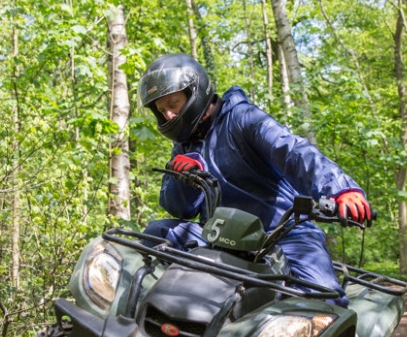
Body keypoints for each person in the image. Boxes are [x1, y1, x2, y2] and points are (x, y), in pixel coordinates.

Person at [137, 53, 370, 307]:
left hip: (281, 234)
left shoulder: (242, 119)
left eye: (173, 103)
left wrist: (341, 189)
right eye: (162, 110)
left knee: (325, 303)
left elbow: (293, 152)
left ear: (195, 92)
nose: (169, 115)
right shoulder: (184, 144)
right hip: (219, 237)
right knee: (156, 234)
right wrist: (183, 178)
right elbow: (177, 209)